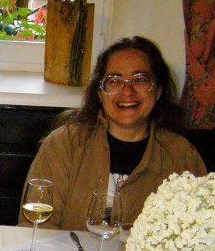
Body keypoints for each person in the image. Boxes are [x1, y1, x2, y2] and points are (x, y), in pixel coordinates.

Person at [18, 36, 207, 230]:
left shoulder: (181, 155)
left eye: (140, 79)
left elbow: (200, 234)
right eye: (114, 81)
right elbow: (35, 226)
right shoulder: (64, 143)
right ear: (100, 93)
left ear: (158, 90)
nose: (127, 91)